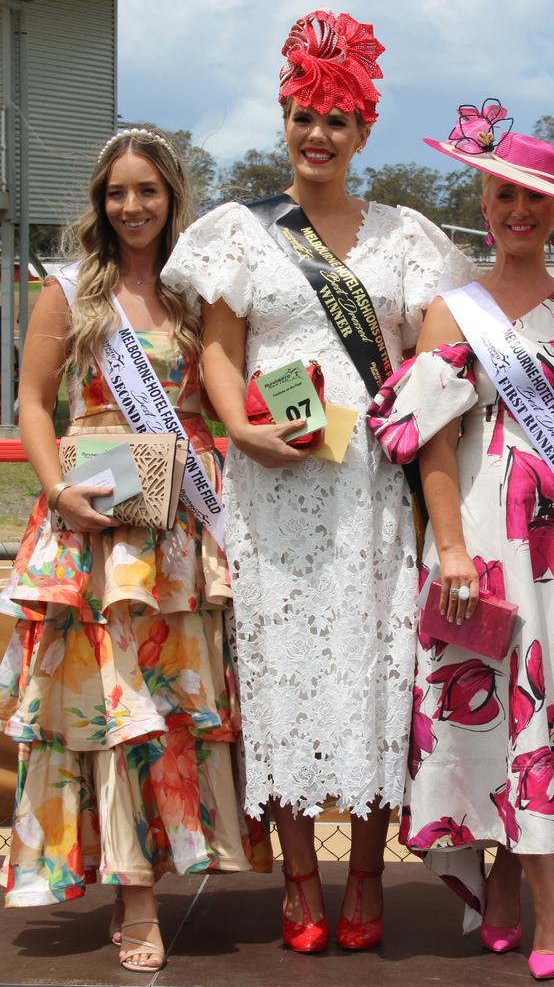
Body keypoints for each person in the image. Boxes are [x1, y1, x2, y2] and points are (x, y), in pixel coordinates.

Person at [162, 9, 475, 953]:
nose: (317, 135)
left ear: (364, 131)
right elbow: (220, 354)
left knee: (376, 671)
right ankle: (301, 877)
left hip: (371, 486)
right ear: (283, 119)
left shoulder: (405, 237)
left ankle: (368, 875)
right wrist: (243, 434)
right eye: (303, 114)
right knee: (281, 667)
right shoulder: (243, 233)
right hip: (273, 484)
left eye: (337, 120)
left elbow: (432, 361)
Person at [368, 100, 554, 979]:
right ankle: (526, 885)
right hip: (482, 537)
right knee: (485, 698)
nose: (517, 213)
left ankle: (535, 889)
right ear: (483, 207)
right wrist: (449, 549)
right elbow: (433, 442)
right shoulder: (455, 312)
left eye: (534, 201)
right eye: (501, 197)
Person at [0, 126, 270, 972]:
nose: (131, 206)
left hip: (177, 538)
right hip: (91, 531)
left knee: (173, 715)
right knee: (110, 716)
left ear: (172, 196)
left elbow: (236, 395)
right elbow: (35, 405)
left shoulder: (197, 294)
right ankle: (137, 899)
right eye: (117, 192)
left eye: (147, 191)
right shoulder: (71, 290)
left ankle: (162, 868)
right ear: (100, 200)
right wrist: (57, 491)